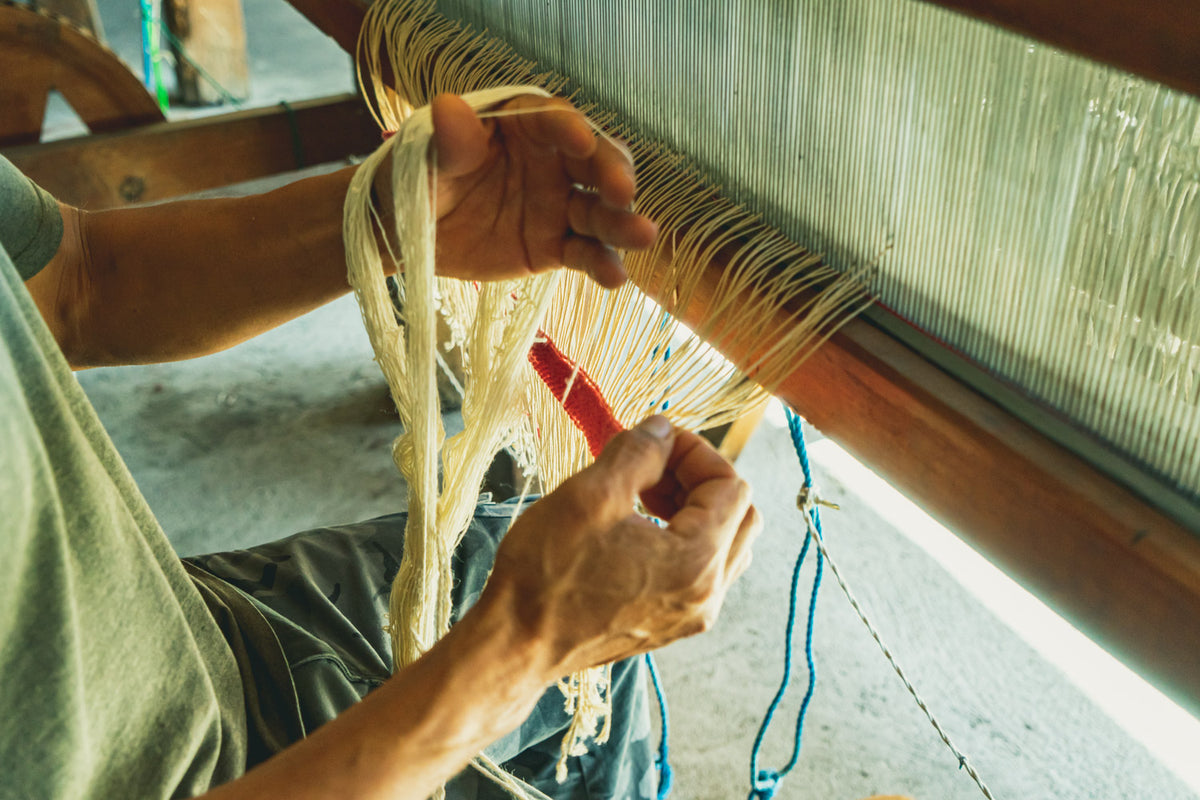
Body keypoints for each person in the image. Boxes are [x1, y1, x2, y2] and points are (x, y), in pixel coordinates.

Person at [0, 93, 761, 799]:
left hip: (174, 627)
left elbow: (75, 282)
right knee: (577, 665)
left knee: (559, 618)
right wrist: (524, 641)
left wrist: (386, 222)